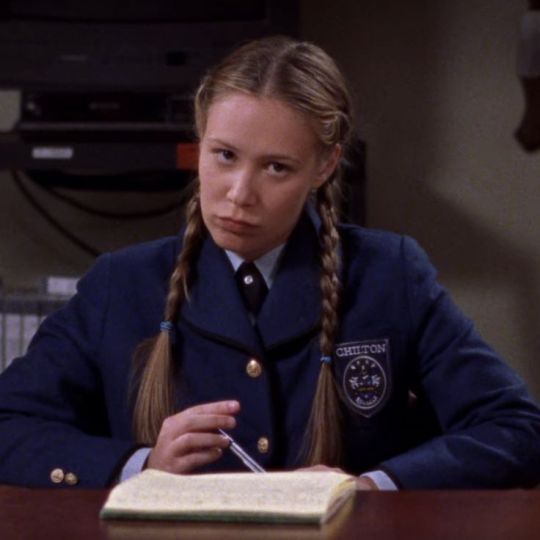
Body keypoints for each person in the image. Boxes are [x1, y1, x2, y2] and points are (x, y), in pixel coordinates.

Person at [1, 36, 540, 490]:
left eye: (276, 168)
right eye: (224, 155)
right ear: (200, 141)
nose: (239, 194)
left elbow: (517, 429)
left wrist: (371, 488)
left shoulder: (390, 274)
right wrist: (142, 466)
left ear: (325, 165)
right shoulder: (120, 284)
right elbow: (10, 425)